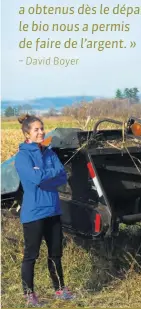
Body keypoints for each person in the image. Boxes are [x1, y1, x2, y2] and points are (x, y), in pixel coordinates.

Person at [14, 114, 73, 306]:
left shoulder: (49, 153)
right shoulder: (22, 157)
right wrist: (48, 174)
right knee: (31, 255)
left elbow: (62, 177)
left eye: (42, 128)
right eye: (36, 129)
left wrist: (43, 174)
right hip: (34, 213)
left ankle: (60, 289)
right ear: (27, 134)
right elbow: (36, 179)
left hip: (53, 210)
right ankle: (29, 294)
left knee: (55, 253)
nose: (41, 132)